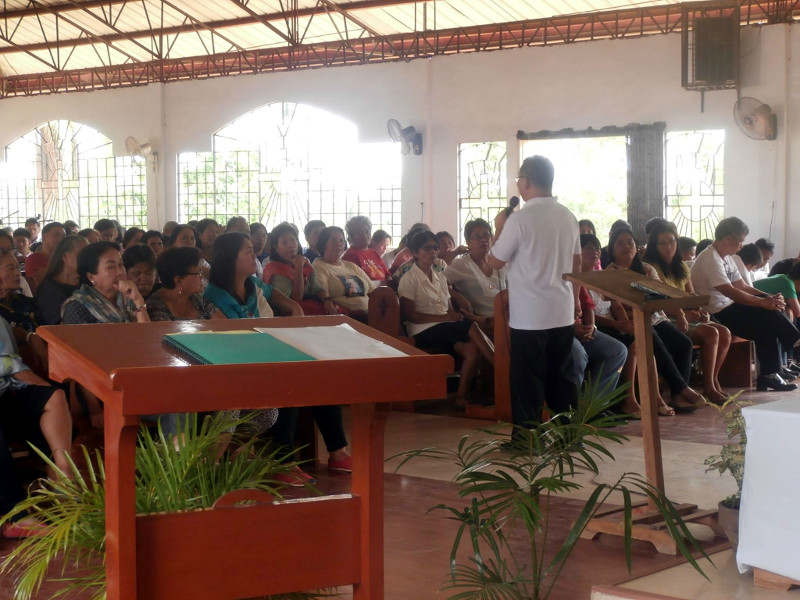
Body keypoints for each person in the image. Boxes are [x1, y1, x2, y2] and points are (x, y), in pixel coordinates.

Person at [488, 155, 581, 424]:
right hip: (562, 311)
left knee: (527, 384)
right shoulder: (568, 216)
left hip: (530, 317)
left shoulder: (519, 219)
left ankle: (527, 440)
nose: (518, 183)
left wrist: (499, 227)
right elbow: (577, 264)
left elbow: (494, 261)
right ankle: (568, 437)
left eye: (519, 179)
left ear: (526, 182)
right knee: (562, 381)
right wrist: (574, 300)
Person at [690, 217, 800, 392]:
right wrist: (763, 302)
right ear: (728, 239)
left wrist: (769, 297)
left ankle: (770, 375)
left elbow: (742, 286)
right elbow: (730, 291)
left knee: (769, 320)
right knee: (767, 314)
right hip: (716, 312)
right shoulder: (709, 259)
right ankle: (794, 342)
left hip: (731, 307)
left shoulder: (728, 258)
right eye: (740, 241)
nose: (741, 246)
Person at [602, 227, 704, 414]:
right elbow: (615, 305)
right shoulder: (610, 273)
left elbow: (661, 296)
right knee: (652, 340)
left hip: (655, 316)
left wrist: (680, 314)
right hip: (632, 319)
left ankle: (677, 395)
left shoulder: (646, 269)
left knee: (683, 344)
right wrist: (627, 323)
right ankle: (681, 388)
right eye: (620, 243)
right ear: (612, 250)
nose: (627, 246)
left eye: (630, 242)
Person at [398, 230, 494, 405]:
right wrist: (446, 318)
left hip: (444, 329)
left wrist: (451, 317)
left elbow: (448, 309)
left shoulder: (440, 278)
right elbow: (410, 315)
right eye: (427, 248)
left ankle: (461, 397)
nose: (433, 252)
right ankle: (501, 366)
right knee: (471, 325)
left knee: (471, 349)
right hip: (423, 330)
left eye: (435, 248)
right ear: (415, 252)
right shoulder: (409, 279)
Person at [644, 223, 731, 405]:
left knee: (724, 332)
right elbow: (660, 300)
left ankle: (713, 381)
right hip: (668, 316)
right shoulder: (651, 267)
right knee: (711, 333)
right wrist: (682, 314)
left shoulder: (682, 265)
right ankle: (707, 386)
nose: (668, 246)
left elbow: (690, 294)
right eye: (662, 243)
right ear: (654, 246)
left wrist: (699, 310)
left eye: (671, 241)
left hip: (685, 313)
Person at [0, 317, 73, 485]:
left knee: (53, 396)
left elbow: (9, 330)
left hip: (7, 392)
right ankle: (13, 499)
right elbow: (10, 365)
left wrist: (30, 336)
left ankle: (64, 475)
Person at [569, 234, 628, 397]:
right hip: (562, 331)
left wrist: (592, 326)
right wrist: (572, 329)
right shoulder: (547, 276)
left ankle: (592, 404)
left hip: (583, 329)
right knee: (578, 355)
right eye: (588, 248)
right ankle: (572, 405)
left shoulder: (573, 275)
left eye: (596, 249)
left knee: (618, 351)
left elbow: (588, 305)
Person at [204, 232, 301, 319]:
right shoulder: (215, 298)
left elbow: (271, 292)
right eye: (248, 251)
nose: (254, 256)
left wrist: (295, 307)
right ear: (230, 258)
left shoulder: (253, 283)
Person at [61, 241, 151, 324]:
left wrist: (138, 300)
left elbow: (146, 333)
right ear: (91, 276)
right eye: (111, 267)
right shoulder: (78, 307)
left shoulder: (128, 297)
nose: (120, 272)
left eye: (120, 264)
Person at [444, 218, 506, 335]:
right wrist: (457, 296)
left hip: (507, 315)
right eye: (477, 237)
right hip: (486, 321)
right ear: (468, 242)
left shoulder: (500, 263)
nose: (483, 240)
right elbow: (438, 281)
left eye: (487, 235)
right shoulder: (462, 264)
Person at [262, 223, 338, 316]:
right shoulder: (274, 269)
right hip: (288, 314)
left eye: (293, 240)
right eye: (284, 242)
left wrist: (327, 300)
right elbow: (296, 298)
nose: (290, 245)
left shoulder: (305, 263)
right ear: (276, 247)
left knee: (337, 310)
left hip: (307, 307)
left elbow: (315, 288)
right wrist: (298, 267)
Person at [312, 226, 376, 320]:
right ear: (323, 243)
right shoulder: (319, 266)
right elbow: (323, 294)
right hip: (349, 318)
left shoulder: (350, 265)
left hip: (372, 313)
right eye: (334, 240)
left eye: (341, 240)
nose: (339, 244)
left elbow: (372, 290)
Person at [147, 247, 225, 321]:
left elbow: (224, 325)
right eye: (198, 273)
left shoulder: (196, 299)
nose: (201, 277)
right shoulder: (155, 308)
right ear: (178, 281)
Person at [35, 235, 89, 325]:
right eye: (81, 254)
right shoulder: (49, 289)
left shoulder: (87, 283)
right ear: (64, 256)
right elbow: (59, 325)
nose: (87, 259)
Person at [342, 215, 391, 284]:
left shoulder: (373, 253)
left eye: (367, 231)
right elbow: (356, 283)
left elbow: (387, 275)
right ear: (351, 237)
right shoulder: (350, 256)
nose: (365, 235)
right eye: (359, 233)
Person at [25, 221, 66, 292]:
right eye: (57, 235)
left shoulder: (65, 258)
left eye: (63, 236)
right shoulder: (34, 259)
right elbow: (39, 287)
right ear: (44, 238)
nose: (61, 239)